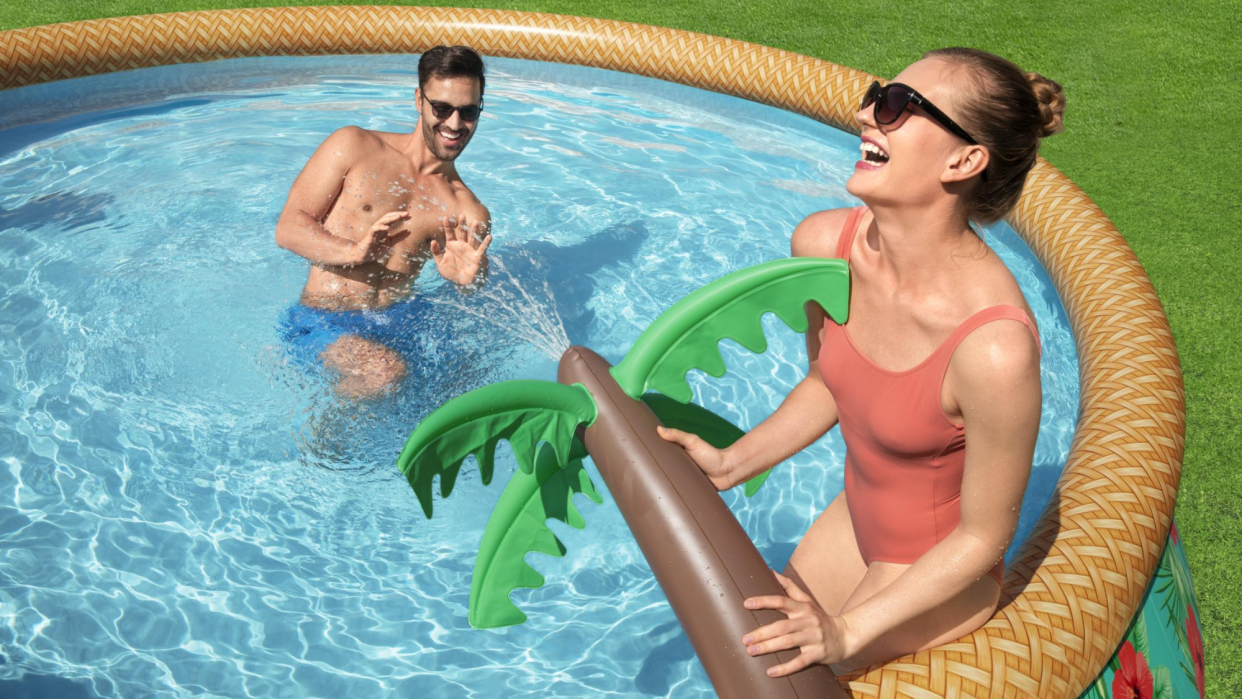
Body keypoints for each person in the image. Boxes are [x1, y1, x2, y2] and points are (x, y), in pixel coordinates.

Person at [658, 47, 1065, 675]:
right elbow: (827, 382)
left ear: (964, 160)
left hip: (938, 574)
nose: (865, 113)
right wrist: (732, 462)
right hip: (853, 526)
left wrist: (847, 632)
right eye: (879, 95)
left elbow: (983, 538)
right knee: (749, 662)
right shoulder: (824, 245)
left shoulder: (992, 348)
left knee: (790, 682)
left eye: (899, 106)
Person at [275, 45, 492, 399]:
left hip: (402, 320)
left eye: (468, 111)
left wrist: (470, 281)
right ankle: (322, 453)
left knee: (469, 372)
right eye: (442, 108)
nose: (454, 124)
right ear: (419, 100)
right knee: (383, 372)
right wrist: (355, 251)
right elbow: (288, 228)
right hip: (324, 319)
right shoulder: (355, 147)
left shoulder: (467, 209)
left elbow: (475, 282)